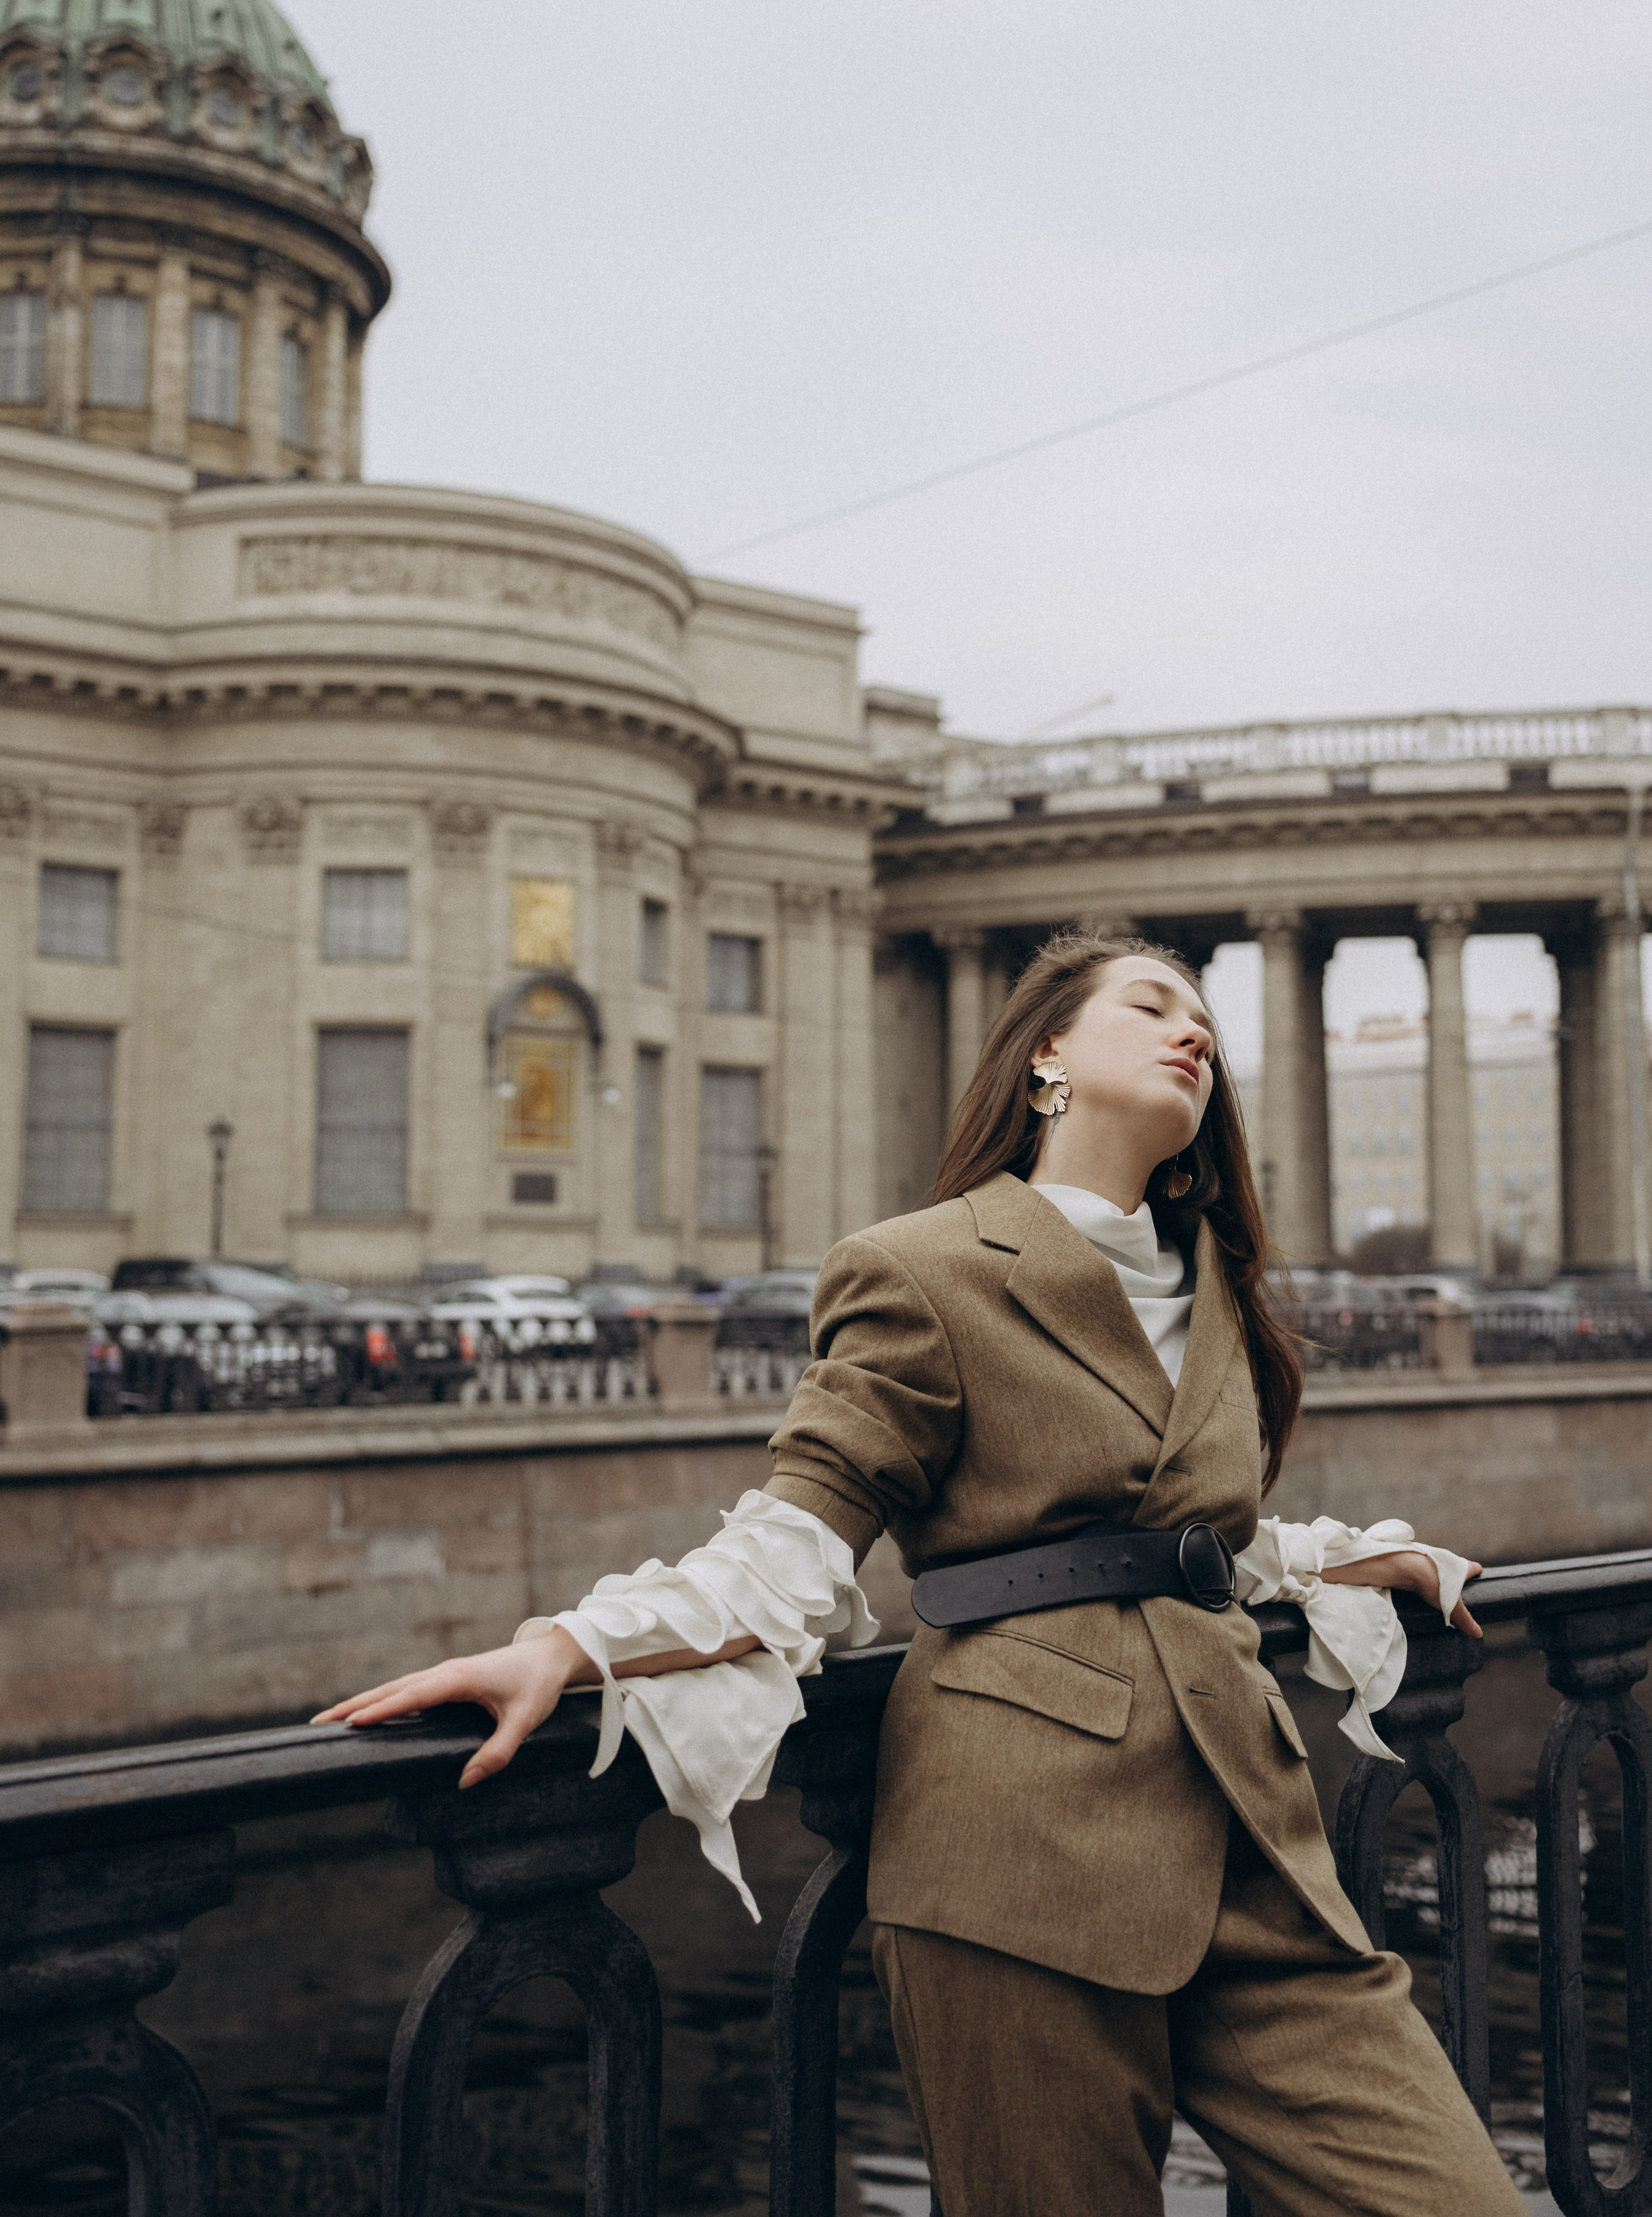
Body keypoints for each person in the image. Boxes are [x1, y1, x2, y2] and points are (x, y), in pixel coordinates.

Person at [317, 929, 1524, 2217]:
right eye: (1152, 1004)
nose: (1196, 1035)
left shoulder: (1214, 1281)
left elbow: (1190, 1531)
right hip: (1017, 1852)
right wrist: (572, 1646)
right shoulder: (924, 1265)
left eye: (1204, 1022)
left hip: (1254, 1841)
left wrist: (1345, 1560)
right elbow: (795, 1545)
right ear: (1045, 1054)